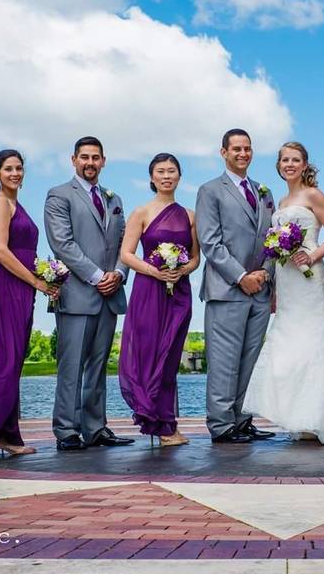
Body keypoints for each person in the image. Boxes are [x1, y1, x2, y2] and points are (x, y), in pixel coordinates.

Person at [243, 142, 324, 446]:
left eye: (295, 160)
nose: (289, 164)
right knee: (289, 346)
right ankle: (302, 417)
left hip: (310, 278)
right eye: (284, 160)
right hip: (287, 282)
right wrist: (274, 288)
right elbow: (275, 251)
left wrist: (313, 256)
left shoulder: (313, 195)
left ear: (304, 165)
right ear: (278, 165)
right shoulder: (281, 200)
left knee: (316, 340)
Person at [0, 150, 58, 456]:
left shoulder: (16, 204)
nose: (15, 173)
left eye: (19, 168)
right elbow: (0, 251)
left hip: (22, 288)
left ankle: (5, 433)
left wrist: (43, 277)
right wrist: (36, 281)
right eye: (8, 169)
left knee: (15, 357)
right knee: (5, 356)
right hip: (7, 286)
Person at [44, 136, 132, 450]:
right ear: (73, 160)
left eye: (96, 157)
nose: (90, 163)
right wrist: (97, 276)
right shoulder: (58, 195)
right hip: (77, 295)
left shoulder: (114, 198)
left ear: (103, 161)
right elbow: (62, 244)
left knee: (98, 364)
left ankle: (95, 428)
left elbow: (126, 243)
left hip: (110, 294)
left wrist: (120, 273)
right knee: (71, 365)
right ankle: (66, 429)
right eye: (84, 157)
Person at [196, 128, 276, 444]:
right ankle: (221, 424)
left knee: (249, 361)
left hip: (261, 289)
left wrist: (265, 275)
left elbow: (274, 240)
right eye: (236, 149)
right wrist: (242, 276)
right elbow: (210, 242)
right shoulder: (210, 190)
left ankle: (242, 420)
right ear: (224, 152)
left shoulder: (264, 192)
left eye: (247, 148)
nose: (243, 154)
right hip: (227, 289)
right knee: (224, 361)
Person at [118, 154, 200, 446]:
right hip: (148, 291)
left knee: (170, 358)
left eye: (172, 171)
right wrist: (155, 271)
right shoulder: (141, 212)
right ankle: (154, 419)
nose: (166, 175)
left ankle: (167, 424)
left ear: (179, 176)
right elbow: (126, 254)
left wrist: (180, 270)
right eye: (160, 171)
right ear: (152, 177)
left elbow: (195, 259)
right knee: (149, 353)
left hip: (179, 292)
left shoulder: (190, 216)